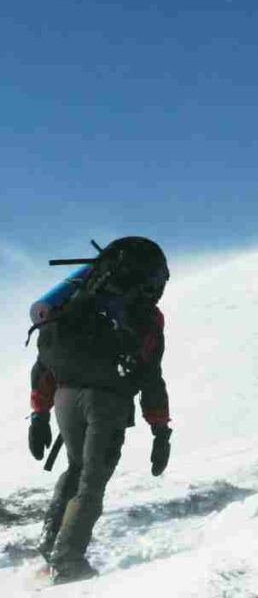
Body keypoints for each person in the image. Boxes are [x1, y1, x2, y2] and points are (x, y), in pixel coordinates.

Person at [27, 237, 172, 584]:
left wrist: (39, 414)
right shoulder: (147, 317)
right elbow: (151, 376)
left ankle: (51, 549)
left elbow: (44, 361)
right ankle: (68, 562)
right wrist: (160, 430)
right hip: (106, 402)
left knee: (75, 469)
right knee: (92, 481)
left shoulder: (79, 300)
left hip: (64, 396)